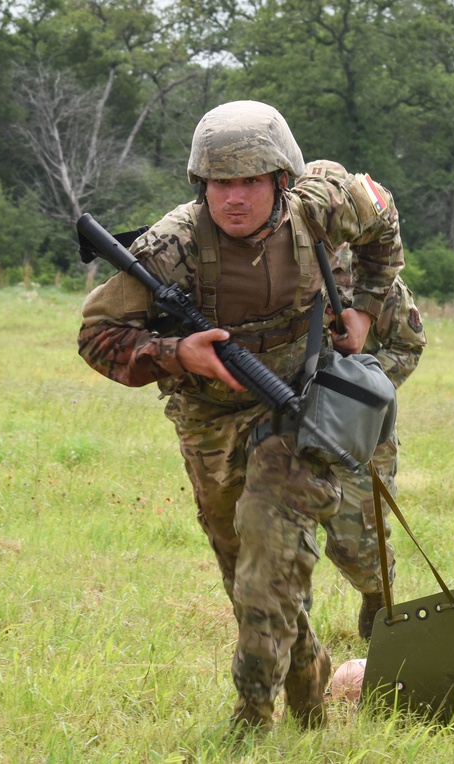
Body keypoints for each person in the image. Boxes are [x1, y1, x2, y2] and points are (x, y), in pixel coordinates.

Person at [76, 101, 403, 736]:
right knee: (245, 569)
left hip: (296, 405)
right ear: (202, 186)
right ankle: (311, 712)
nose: (234, 198)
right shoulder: (170, 247)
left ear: (282, 180)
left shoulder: (323, 203)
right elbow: (97, 336)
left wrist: (365, 302)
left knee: (267, 568)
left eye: (250, 181)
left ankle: (252, 720)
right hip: (208, 419)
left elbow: (383, 219)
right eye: (220, 184)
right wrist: (176, 353)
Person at [302, 160, 427, 640]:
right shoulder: (291, 268)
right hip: (293, 414)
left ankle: (378, 594)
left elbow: (410, 346)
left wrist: (360, 382)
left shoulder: (378, 284)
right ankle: (292, 627)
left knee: (358, 540)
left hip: (361, 428)